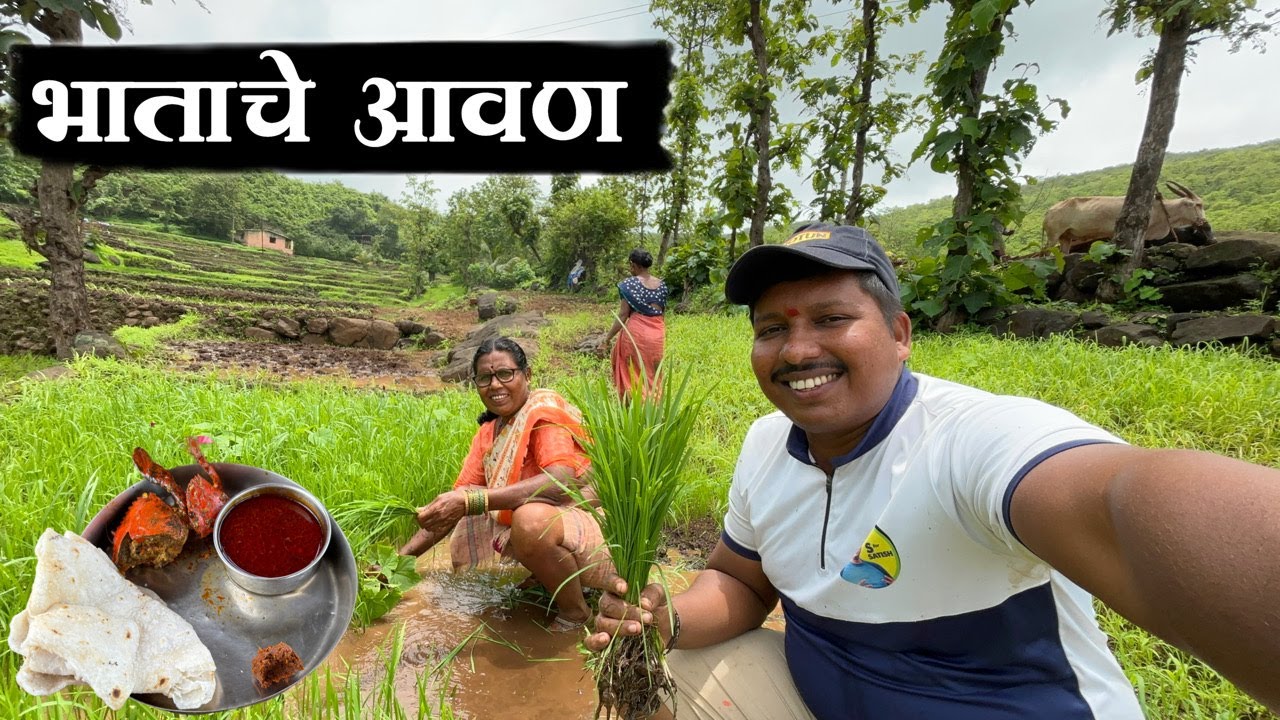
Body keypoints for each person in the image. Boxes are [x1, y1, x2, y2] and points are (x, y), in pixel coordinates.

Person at [587, 222, 1280, 719]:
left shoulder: (973, 440)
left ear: (900, 334)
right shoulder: (767, 444)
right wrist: (664, 617)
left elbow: (1125, 501)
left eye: (831, 318)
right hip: (822, 699)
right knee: (680, 671)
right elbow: (741, 581)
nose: (797, 349)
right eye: (772, 328)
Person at [399, 336, 610, 630]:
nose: (495, 385)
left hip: (596, 527)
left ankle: (576, 612)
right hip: (557, 525)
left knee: (528, 520)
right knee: (505, 511)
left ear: (527, 375)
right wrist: (398, 562)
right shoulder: (488, 433)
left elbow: (562, 481)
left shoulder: (542, 412)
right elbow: (459, 499)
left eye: (505, 374)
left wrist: (475, 500)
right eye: (485, 378)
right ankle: (548, 574)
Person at [602, 248, 668, 398]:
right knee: (653, 373)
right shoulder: (662, 285)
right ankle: (654, 407)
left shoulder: (628, 284)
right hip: (657, 334)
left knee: (632, 374)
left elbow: (623, 314)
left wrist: (607, 338)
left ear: (634, 265)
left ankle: (633, 410)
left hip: (636, 334)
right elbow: (662, 314)